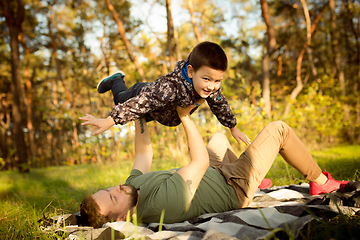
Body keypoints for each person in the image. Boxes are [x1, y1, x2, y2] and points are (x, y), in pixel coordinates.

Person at [79, 104, 349, 228]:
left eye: (108, 188)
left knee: (219, 138)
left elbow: (143, 152)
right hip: (233, 187)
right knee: (278, 130)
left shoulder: (130, 189)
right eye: (113, 196)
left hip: (217, 174)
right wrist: (184, 115)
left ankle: (258, 179)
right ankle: (321, 182)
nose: (117, 187)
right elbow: (200, 161)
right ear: (120, 219)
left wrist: (134, 110)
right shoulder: (160, 206)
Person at [83, 41, 251, 145]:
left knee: (142, 116)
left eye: (217, 81)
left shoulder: (210, 88)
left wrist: (233, 128)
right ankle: (116, 79)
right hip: (142, 96)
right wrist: (109, 120)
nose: (212, 86)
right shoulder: (170, 88)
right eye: (207, 79)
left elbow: (220, 104)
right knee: (120, 100)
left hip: (160, 111)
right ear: (191, 71)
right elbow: (141, 103)